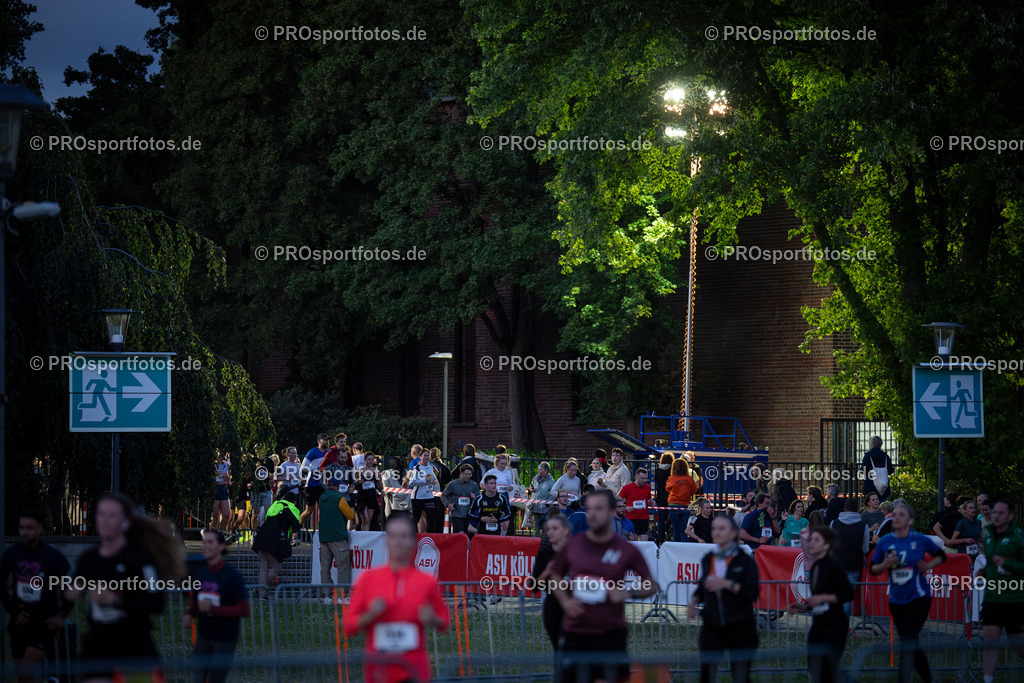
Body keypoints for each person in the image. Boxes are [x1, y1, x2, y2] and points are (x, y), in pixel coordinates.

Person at [66, 493, 184, 683]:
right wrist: (64, 602)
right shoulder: (89, 560)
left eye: (112, 515)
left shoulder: (142, 561)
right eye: (101, 514)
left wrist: (115, 600)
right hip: (98, 647)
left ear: (126, 522)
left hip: (134, 649)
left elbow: (157, 602)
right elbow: (69, 595)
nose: (105, 521)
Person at [548, 489, 659, 683]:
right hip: (575, 632)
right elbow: (555, 575)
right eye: (589, 508)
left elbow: (651, 584)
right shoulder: (573, 544)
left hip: (610, 632)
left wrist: (628, 592)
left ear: (611, 512)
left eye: (598, 508)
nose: (592, 513)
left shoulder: (626, 549)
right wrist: (565, 602)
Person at [344, 513, 450, 683]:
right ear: (386, 541)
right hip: (378, 671)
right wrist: (370, 615)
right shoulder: (368, 579)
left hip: (414, 671)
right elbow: (349, 626)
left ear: (412, 542)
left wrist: (432, 618)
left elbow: (445, 621)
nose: (398, 542)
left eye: (404, 536)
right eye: (393, 536)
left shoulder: (426, 581)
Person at [870, 500, 946, 683]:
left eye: (901, 515)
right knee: (908, 641)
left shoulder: (919, 540)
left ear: (910, 520)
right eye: (894, 515)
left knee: (908, 640)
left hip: (918, 596)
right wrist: (884, 565)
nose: (896, 518)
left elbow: (941, 556)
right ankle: (927, 678)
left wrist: (927, 565)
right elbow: (873, 568)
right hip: (896, 598)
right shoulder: (886, 541)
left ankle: (903, 678)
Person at [687, 514, 760, 683]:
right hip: (712, 624)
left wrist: (728, 584)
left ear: (733, 533)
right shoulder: (708, 559)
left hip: (740, 623)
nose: (716, 532)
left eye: (721, 528)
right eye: (714, 528)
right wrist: (693, 602)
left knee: (741, 674)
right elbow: (703, 586)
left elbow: (752, 592)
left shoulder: (745, 561)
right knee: (706, 673)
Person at [0, 509, 71, 683]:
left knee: (27, 672)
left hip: (43, 622)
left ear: (39, 529)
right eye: (21, 528)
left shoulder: (53, 557)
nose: (25, 532)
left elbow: (70, 589)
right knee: (23, 677)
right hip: (19, 621)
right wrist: (13, 610)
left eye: (29, 528)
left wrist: (61, 615)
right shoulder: (12, 554)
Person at [184, 528, 250, 683]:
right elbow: (195, 601)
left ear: (221, 546)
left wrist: (213, 609)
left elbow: (244, 609)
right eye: (204, 542)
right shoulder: (200, 574)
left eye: (210, 542)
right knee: (199, 677)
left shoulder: (232, 576)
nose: (205, 546)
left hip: (224, 637)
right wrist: (189, 614)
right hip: (204, 635)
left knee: (216, 679)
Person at [788, 527, 853, 683]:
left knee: (827, 668)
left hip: (834, 625)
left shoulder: (834, 566)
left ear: (827, 544)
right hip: (819, 623)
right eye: (811, 540)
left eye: (817, 540)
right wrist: (803, 606)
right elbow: (816, 598)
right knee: (813, 663)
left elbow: (848, 594)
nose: (811, 543)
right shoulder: (816, 566)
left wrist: (824, 597)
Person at [980, 497, 1024, 683]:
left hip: (1014, 598)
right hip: (992, 597)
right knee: (990, 639)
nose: (996, 516)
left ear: (1011, 515)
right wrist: (982, 571)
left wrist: (1008, 563)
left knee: (1017, 645)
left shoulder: (1018, 536)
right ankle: (987, 680)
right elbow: (990, 560)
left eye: (1001, 513)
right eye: (994, 512)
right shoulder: (988, 532)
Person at [532, 511, 571, 648]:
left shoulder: (576, 550)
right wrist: (548, 571)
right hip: (553, 603)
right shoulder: (544, 552)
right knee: (557, 646)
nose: (551, 533)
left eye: (555, 529)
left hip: (575, 603)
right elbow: (534, 586)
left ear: (566, 530)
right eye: (548, 529)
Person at [252, 497, 301, 599]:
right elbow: (296, 525)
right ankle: (262, 589)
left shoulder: (275, 507)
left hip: (261, 537)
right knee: (277, 566)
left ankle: (261, 593)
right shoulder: (289, 508)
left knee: (263, 566)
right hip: (272, 540)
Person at [318, 476, 357, 603]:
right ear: (337, 486)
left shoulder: (322, 497)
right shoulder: (339, 498)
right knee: (343, 566)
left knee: (325, 567)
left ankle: (327, 596)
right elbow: (350, 515)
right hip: (338, 537)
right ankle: (342, 596)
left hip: (323, 537)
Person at [831, 498, 869, 619]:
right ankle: (844, 626)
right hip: (854, 563)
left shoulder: (834, 523)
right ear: (857, 510)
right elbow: (865, 549)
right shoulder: (863, 526)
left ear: (845, 509)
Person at [404, 445, 439, 533]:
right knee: (416, 519)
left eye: (428, 455)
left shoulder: (431, 467)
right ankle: (412, 537)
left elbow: (434, 477)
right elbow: (411, 483)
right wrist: (424, 481)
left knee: (431, 518)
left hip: (429, 496)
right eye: (424, 455)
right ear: (420, 457)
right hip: (418, 497)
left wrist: (434, 483)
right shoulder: (417, 468)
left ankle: (430, 539)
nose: (426, 457)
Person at [299, 433, 331, 526]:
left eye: (327, 440)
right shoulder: (313, 452)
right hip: (311, 484)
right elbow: (303, 468)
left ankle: (320, 532)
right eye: (324, 440)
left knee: (324, 509)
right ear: (319, 441)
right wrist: (316, 469)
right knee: (309, 511)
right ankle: (297, 527)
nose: (326, 441)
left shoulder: (329, 453)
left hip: (323, 484)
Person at [440, 464, 480, 534]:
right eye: (466, 474)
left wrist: (474, 498)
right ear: (461, 473)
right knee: (460, 534)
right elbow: (443, 496)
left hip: (469, 515)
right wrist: (448, 504)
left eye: (470, 474)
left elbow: (479, 500)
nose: (468, 476)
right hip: (456, 514)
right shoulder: (453, 484)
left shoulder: (474, 485)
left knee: (469, 535)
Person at [666, 459, 699, 543]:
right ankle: (684, 546)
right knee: (684, 529)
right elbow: (694, 490)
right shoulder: (689, 479)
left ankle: (677, 547)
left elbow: (667, 488)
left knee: (675, 528)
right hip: (685, 505)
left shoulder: (671, 478)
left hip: (673, 505)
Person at [618, 468, 654, 541]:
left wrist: (652, 502)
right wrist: (625, 507)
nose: (644, 480)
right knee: (632, 541)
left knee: (644, 543)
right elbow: (617, 500)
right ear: (636, 477)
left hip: (644, 518)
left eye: (646, 478)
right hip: (631, 518)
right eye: (642, 478)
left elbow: (648, 499)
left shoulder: (648, 487)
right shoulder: (627, 488)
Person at [354, 453, 383, 531]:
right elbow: (354, 483)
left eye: (372, 459)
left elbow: (380, 486)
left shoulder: (376, 471)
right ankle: (363, 538)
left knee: (368, 520)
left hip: (372, 496)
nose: (370, 461)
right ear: (365, 460)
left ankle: (366, 538)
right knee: (365, 519)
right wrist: (358, 481)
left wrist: (379, 480)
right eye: (368, 459)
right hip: (362, 496)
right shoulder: (359, 471)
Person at [861, 435, 894, 501]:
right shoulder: (885, 456)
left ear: (872, 444)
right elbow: (891, 470)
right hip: (883, 488)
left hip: (870, 487)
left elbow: (863, 470)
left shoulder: (868, 455)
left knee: (871, 507)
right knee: (882, 507)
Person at [950, 499, 982, 565]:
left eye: (974, 508)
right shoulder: (961, 523)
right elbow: (952, 541)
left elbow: (979, 538)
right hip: (964, 555)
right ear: (965, 511)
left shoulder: (978, 522)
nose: (973, 510)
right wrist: (965, 540)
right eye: (970, 508)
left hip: (975, 555)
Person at [528, 461, 556, 535]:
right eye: (538, 470)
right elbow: (530, 487)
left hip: (544, 508)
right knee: (536, 526)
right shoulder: (535, 479)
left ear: (546, 471)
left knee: (545, 526)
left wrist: (548, 503)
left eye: (541, 470)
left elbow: (554, 494)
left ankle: (544, 541)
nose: (539, 471)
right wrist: (531, 490)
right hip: (534, 507)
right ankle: (536, 542)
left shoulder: (551, 481)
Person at [653, 453, 674, 543]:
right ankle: (670, 534)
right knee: (673, 517)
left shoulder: (658, 470)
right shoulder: (672, 470)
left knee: (661, 519)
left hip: (661, 496)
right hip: (671, 496)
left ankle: (661, 538)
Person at [211, 450, 231, 531]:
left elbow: (229, 476)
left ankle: (221, 533)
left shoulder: (226, 465)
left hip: (223, 488)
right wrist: (214, 474)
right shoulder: (213, 464)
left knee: (226, 515)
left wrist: (228, 477)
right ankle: (212, 536)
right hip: (215, 488)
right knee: (215, 516)